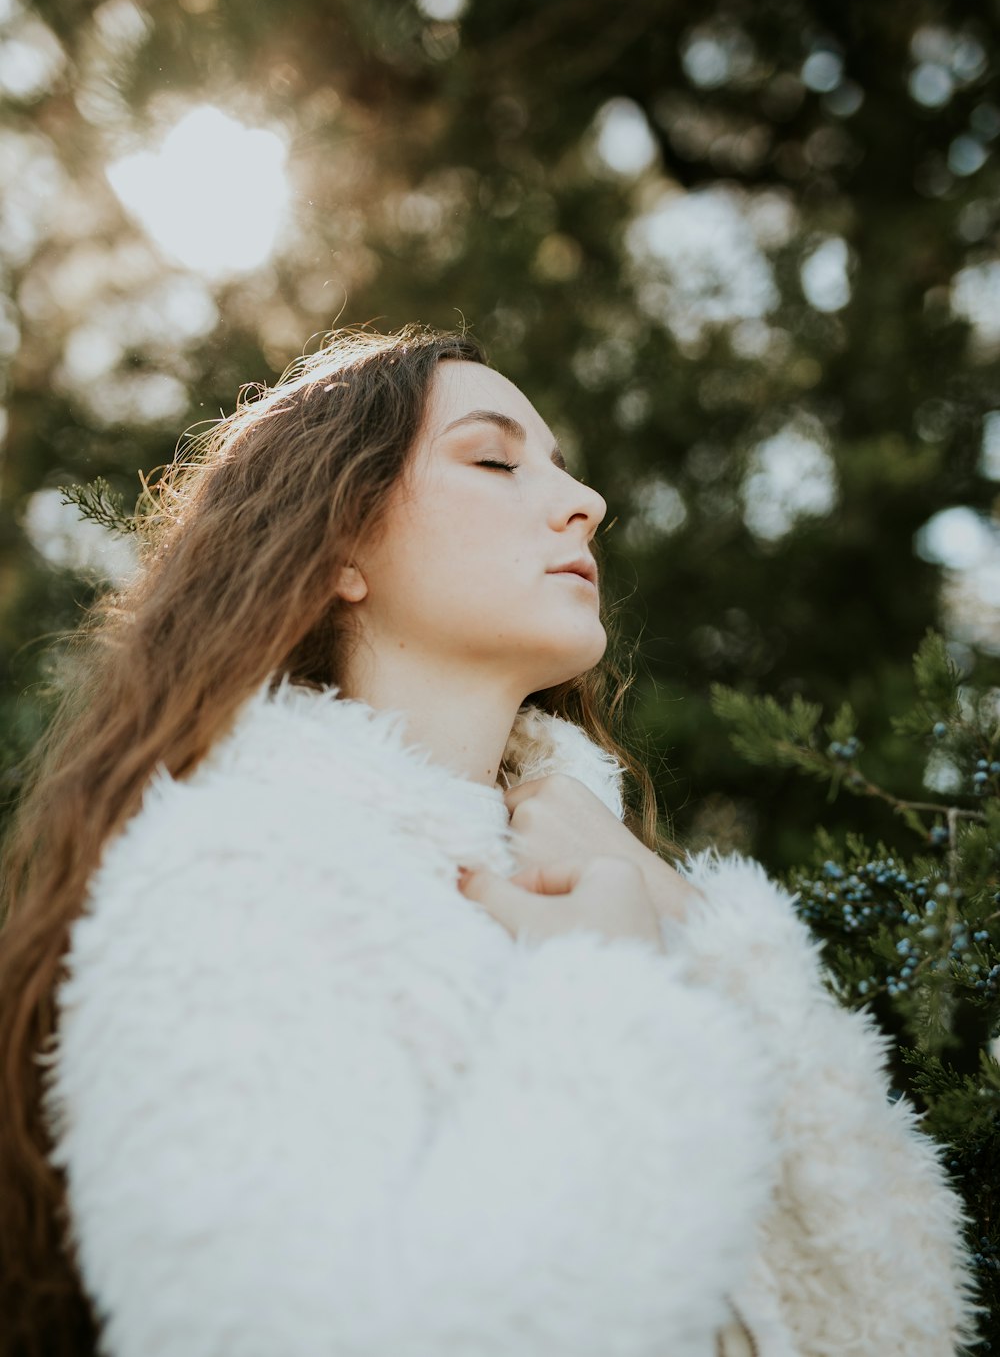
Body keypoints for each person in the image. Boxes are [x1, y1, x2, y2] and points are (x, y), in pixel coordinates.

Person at [0, 324, 982, 1357]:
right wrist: (604, 996)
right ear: (338, 544)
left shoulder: (613, 883)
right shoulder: (225, 886)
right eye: (494, 459)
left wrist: (698, 936)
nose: (584, 501)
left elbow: (886, 1314)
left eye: (560, 466)